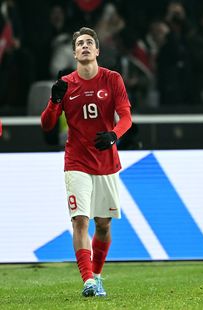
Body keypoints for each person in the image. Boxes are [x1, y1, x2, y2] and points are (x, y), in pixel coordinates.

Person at [41, 27, 132, 297]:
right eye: (80, 43)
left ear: (97, 51)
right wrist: (54, 100)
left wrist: (114, 135)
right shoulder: (65, 84)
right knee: (80, 220)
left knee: (103, 224)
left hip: (106, 162)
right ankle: (88, 281)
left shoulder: (112, 79)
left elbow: (126, 117)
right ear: (73, 52)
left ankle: (98, 274)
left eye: (89, 42)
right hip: (76, 162)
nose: (84, 46)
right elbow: (47, 125)